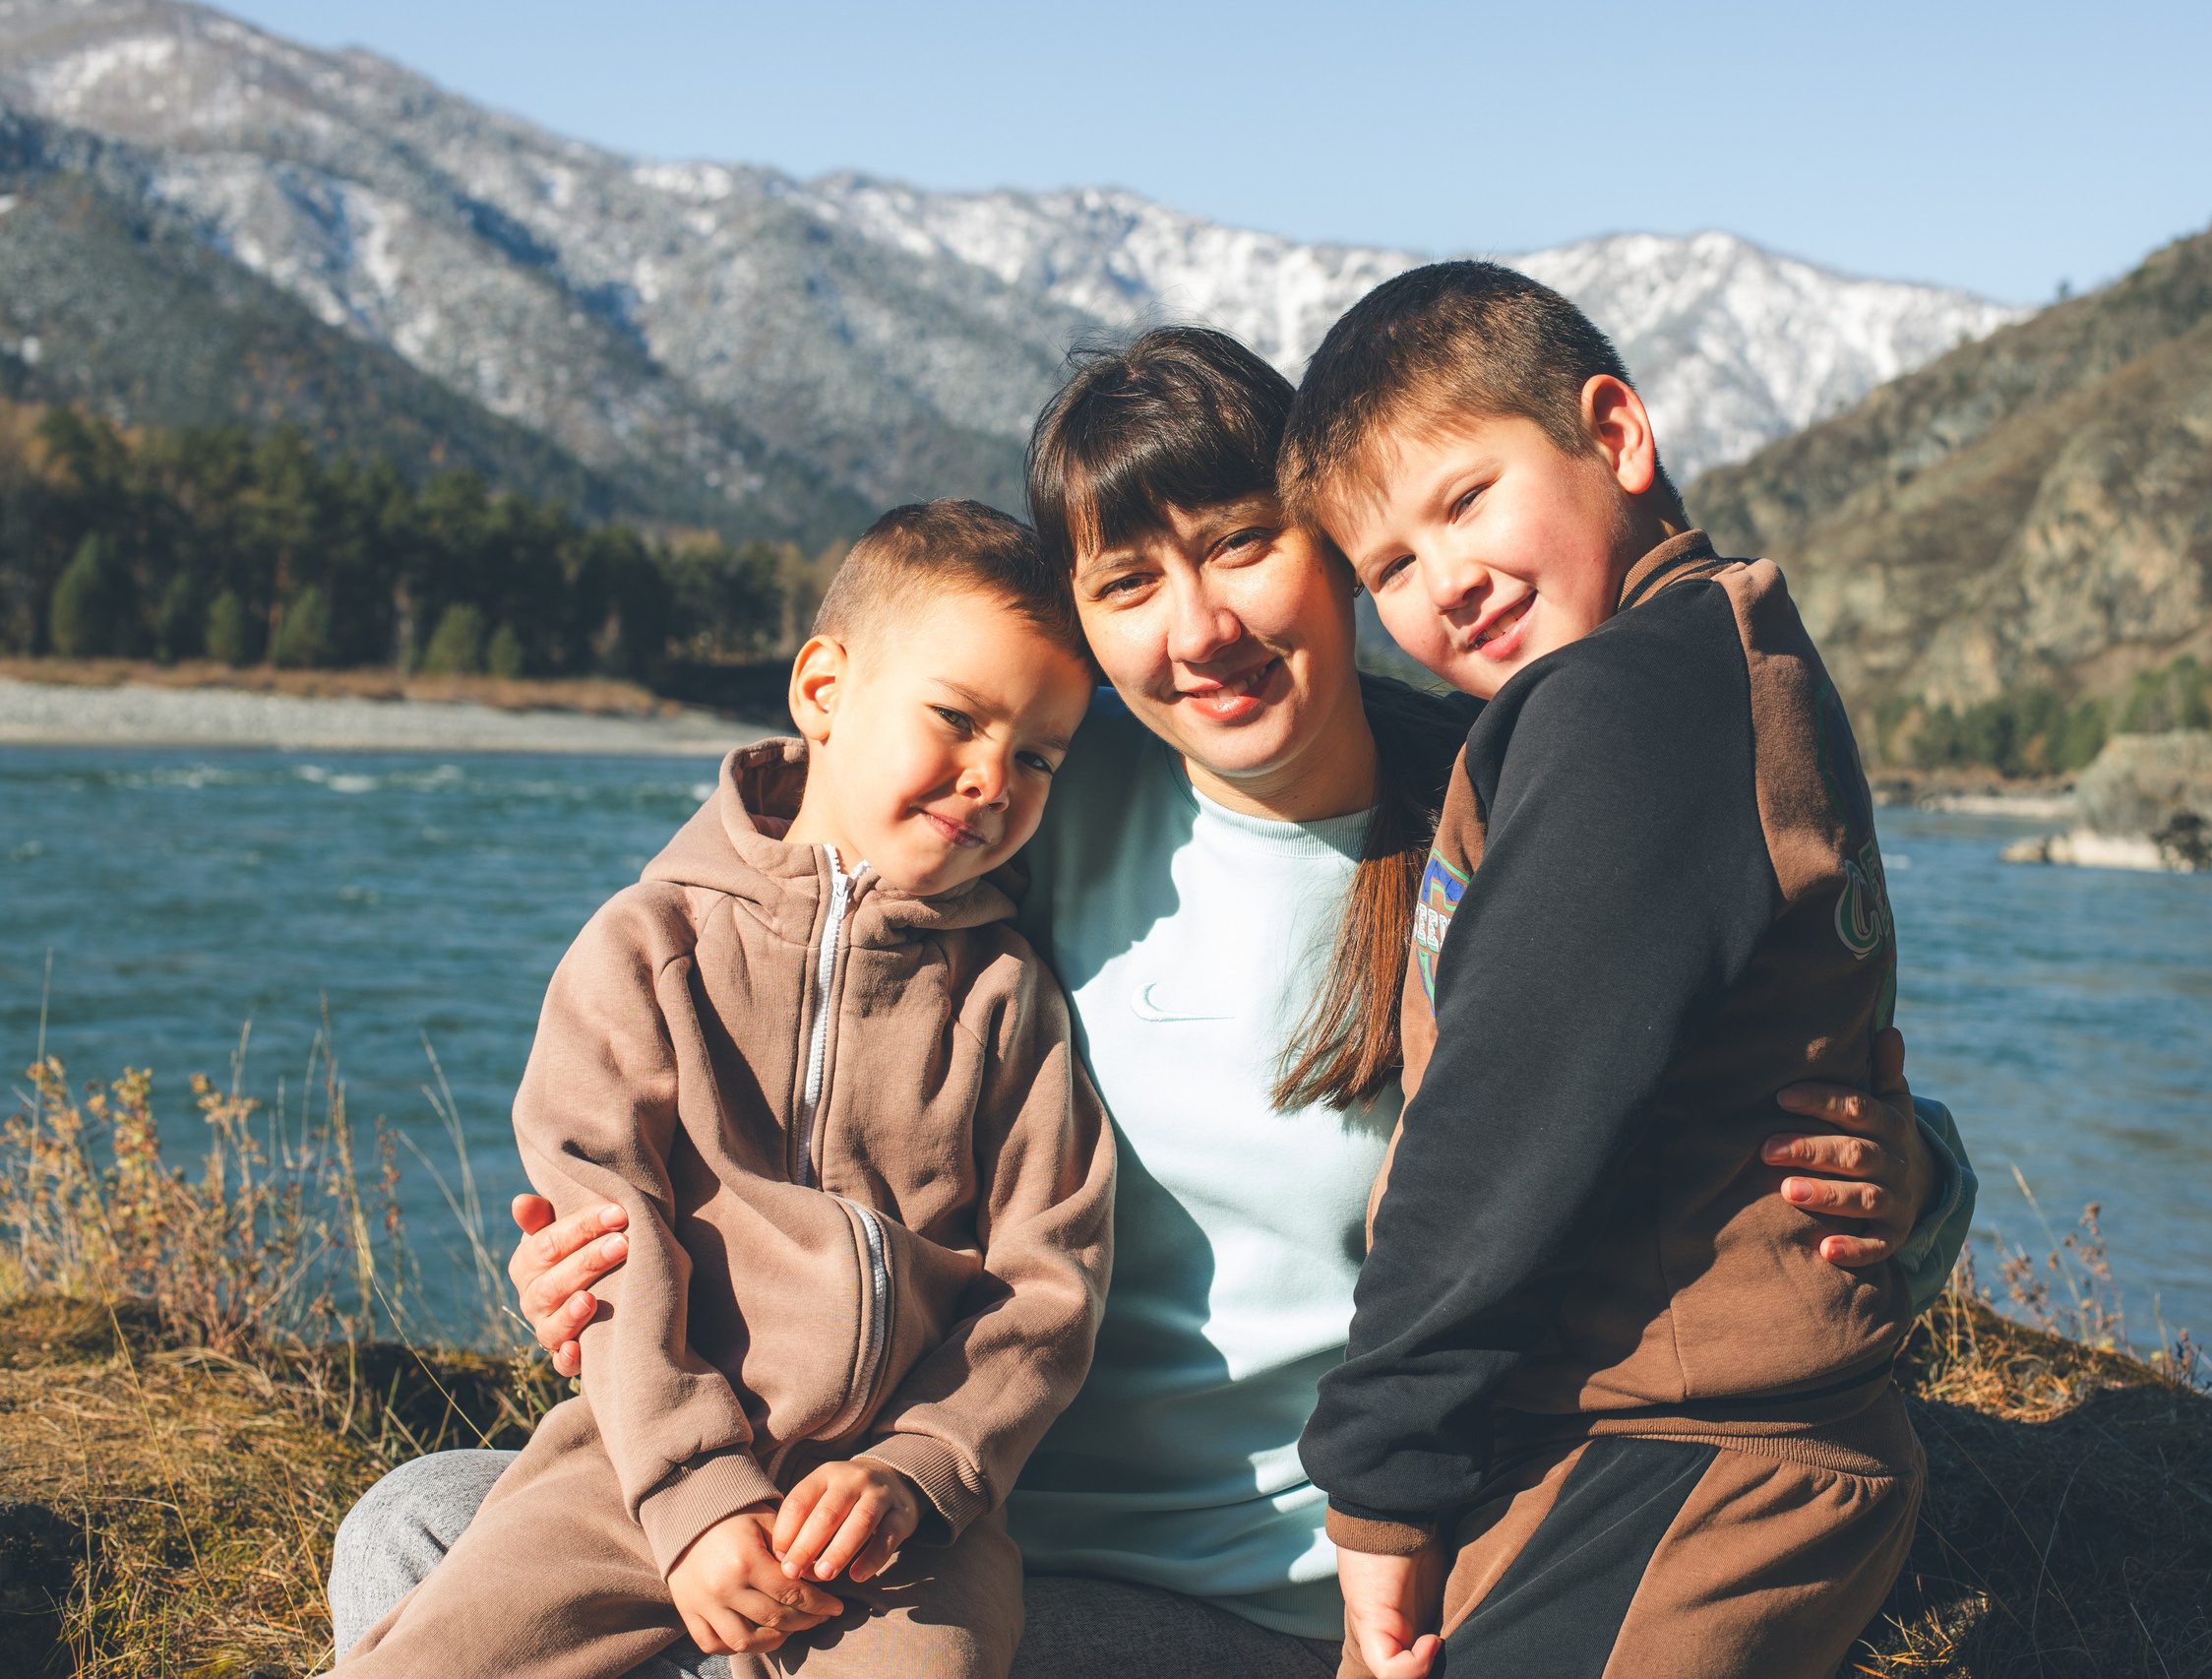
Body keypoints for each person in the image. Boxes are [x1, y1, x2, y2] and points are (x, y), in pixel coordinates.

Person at [330, 329, 1977, 1679]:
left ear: (1334, 554)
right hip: (913, 1523)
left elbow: (1768, 1033)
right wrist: (627, 1247)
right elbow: (769, 985)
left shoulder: (1493, 830)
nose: (1202, 629)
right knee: (417, 1519)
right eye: (1130, 585)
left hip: (1251, 1605)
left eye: (1246, 547)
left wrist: (1916, 1184)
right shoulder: (1033, 804)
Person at [1281, 263, 1946, 1679]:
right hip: (1667, 1433)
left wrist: (1382, 1475)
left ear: (1618, 437)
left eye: (1464, 499)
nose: (1444, 579)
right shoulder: (1692, 665)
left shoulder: (1631, 702)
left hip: (1697, 1451)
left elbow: (1508, 1109)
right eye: (1387, 566)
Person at [332, 502, 1115, 1679]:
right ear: (823, 688)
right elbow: (612, 1237)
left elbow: (1047, 1289)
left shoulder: (1011, 1001)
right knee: (439, 1653)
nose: (993, 775)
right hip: (631, 1469)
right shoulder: (648, 948)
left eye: (1040, 754)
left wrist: (922, 1468)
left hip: (897, 1520)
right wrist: (693, 1491)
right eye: (956, 716)